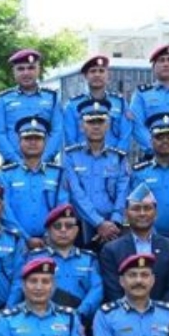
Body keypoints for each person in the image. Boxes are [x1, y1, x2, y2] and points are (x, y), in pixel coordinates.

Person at [98, 184, 169, 305]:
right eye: (136, 209)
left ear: (156, 213)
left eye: (147, 208)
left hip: (162, 315)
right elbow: (113, 291)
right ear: (126, 214)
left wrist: (159, 313)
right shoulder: (111, 250)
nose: (142, 213)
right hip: (123, 315)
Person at [63, 100, 129, 247]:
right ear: (81, 126)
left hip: (113, 227)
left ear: (108, 125)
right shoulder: (70, 156)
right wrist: (99, 222)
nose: (96, 126)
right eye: (90, 122)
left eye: (100, 121)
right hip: (80, 226)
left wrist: (115, 221)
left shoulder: (118, 158)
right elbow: (75, 193)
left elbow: (123, 192)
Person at [0, 115, 70, 245]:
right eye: (27, 138)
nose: (33, 142)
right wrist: (25, 237)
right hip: (15, 242)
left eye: (37, 138)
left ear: (45, 142)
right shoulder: (6, 175)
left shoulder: (57, 174)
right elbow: (5, 211)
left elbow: (62, 208)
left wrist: (49, 236)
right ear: (19, 141)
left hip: (50, 243)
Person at [22, 204, 103, 320]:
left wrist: (79, 314)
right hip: (42, 320)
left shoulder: (89, 259)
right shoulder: (34, 258)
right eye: (57, 226)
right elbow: (25, 288)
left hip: (81, 320)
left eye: (69, 226)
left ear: (76, 230)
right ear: (48, 231)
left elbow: (97, 289)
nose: (63, 230)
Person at [0, 48, 63, 162]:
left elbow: (57, 131)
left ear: (38, 70)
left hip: (45, 165)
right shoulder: (3, 100)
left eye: (31, 68)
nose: (26, 73)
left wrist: (43, 160)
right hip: (13, 165)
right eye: (20, 69)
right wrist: (17, 162)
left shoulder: (52, 98)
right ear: (14, 72)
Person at [62, 55, 131, 151]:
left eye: (101, 71)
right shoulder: (72, 105)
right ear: (85, 76)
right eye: (93, 71)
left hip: (113, 157)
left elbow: (125, 136)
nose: (97, 75)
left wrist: (115, 156)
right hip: (82, 158)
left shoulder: (120, 103)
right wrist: (80, 157)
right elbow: (70, 139)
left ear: (108, 75)